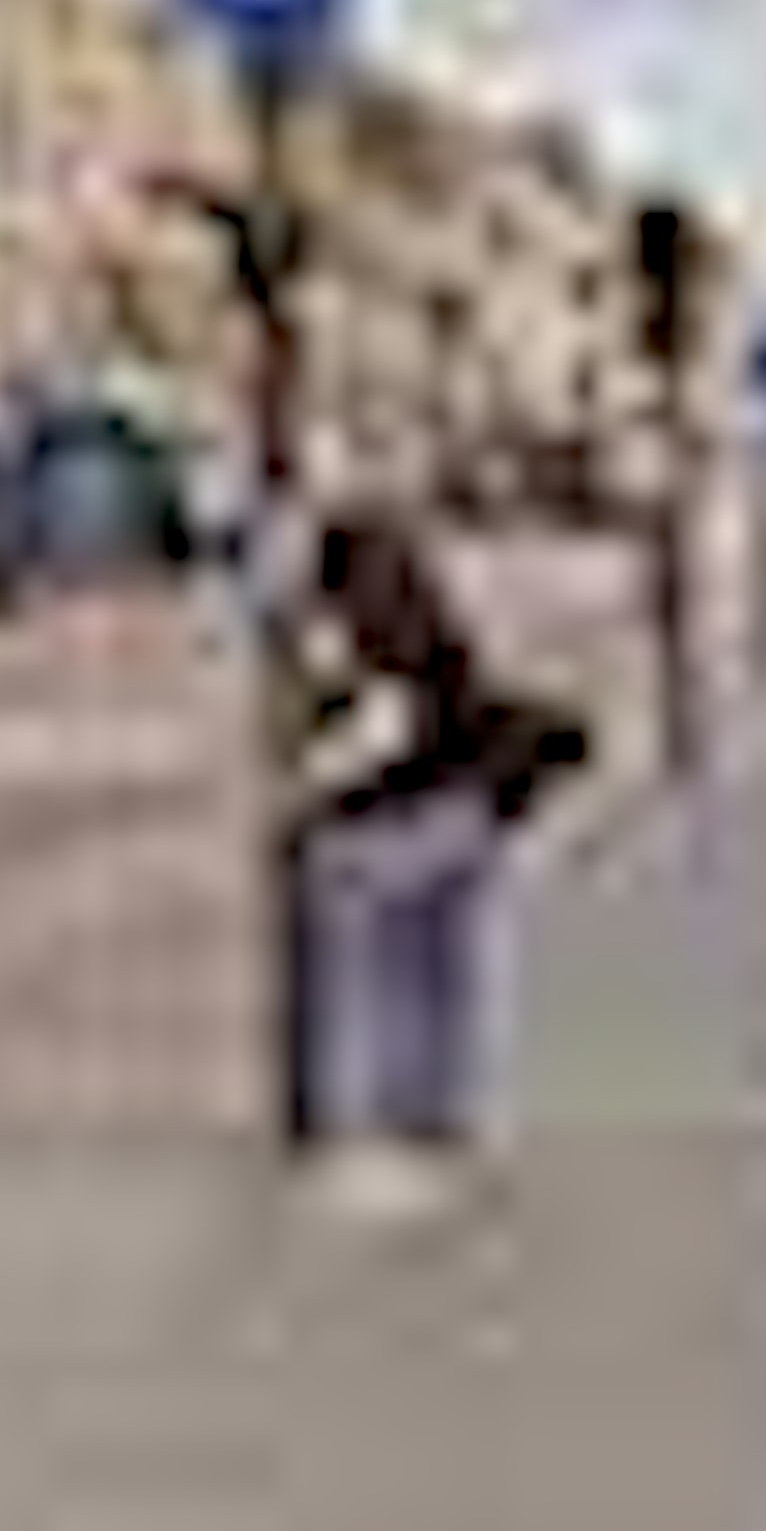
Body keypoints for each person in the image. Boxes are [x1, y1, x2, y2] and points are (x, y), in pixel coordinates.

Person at [293, 500, 590, 1210]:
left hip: (384, 834)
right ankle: (439, 1129)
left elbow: (376, 742)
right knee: (442, 987)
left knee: (368, 993)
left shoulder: (359, 633)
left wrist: (303, 788)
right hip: (461, 826)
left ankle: (380, 1146)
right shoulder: (437, 624)